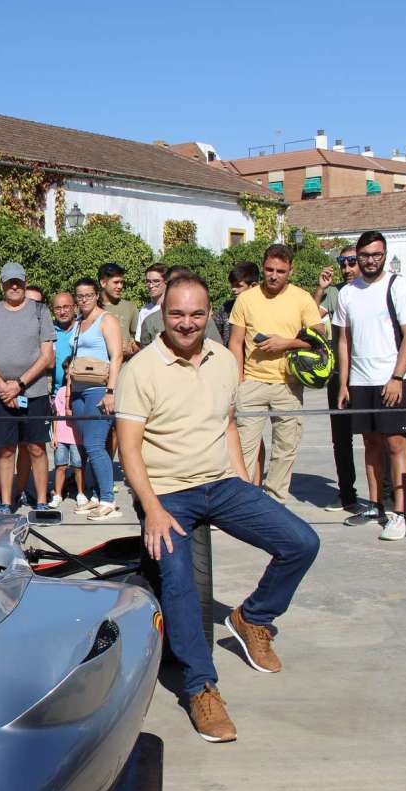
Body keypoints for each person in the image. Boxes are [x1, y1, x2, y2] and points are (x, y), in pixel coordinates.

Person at [115, 273, 319, 743]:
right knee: (180, 583)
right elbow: (129, 448)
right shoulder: (140, 370)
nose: (186, 323)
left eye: (196, 314)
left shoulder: (225, 359)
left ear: (210, 314)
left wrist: (243, 479)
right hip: (167, 493)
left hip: (222, 483)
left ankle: (253, 618)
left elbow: (226, 423)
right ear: (163, 314)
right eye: (176, 314)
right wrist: (152, 509)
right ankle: (201, 687)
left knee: (302, 542)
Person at [334, 230, 406, 542]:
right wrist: (344, 383)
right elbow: (344, 341)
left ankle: (400, 513)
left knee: (396, 445)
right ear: (357, 256)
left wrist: (397, 377)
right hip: (360, 381)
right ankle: (375, 506)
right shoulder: (346, 293)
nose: (371, 260)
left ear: (384, 255)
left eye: (377, 255)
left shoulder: (398, 285)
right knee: (370, 445)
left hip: (390, 380)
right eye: (365, 255)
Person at [228, 244, 322, 504]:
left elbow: (319, 339)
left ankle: (276, 503)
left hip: (288, 384)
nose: (273, 276)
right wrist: (239, 381)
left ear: (291, 270)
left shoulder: (302, 298)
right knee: (243, 448)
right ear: (263, 267)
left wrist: (286, 343)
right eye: (269, 269)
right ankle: (241, 503)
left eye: (280, 271)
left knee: (285, 449)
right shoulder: (246, 299)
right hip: (252, 382)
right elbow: (235, 342)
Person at [0, 262, 54, 515]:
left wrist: (19, 384)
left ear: (25, 281)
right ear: (1, 284)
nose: (14, 286)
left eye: (18, 282)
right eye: (9, 282)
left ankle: (41, 500)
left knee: (36, 447)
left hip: (34, 391)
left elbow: (46, 356)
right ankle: (5, 501)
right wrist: (3, 387)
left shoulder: (41, 311)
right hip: (0, 393)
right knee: (6, 448)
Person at [314, 247, 370, 513]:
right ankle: (347, 493)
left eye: (351, 262)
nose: (346, 268)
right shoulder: (334, 293)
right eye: (342, 263)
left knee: (375, 436)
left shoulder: (375, 290)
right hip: (339, 374)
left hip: (369, 373)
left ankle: (384, 496)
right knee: (341, 438)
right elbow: (310, 316)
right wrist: (320, 289)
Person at [70, 278, 125, 519]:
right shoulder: (78, 322)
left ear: (97, 295)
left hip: (99, 389)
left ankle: (108, 500)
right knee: (87, 446)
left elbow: (117, 356)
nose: (84, 300)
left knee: (95, 445)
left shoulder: (107, 320)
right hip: (78, 390)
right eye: (80, 296)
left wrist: (110, 392)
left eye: (88, 295)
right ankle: (95, 496)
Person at [50, 375, 83, 508]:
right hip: (61, 435)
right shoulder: (61, 391)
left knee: (78, 466)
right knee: (60, 466)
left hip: (77, 436)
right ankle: (58, 495)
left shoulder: (81, 391)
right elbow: (57, 414)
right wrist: (55, 435)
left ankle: (81, 494)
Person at [97, 263, 138, 356]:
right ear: (103, 283)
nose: (120, 286)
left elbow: (139, 342)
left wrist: (131, 350)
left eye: (122, 282)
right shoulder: (91, 308)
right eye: (116, 282)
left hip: (124, 364)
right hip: (97, 364)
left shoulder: (130, 307)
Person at [214, 262, 259, 342]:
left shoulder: (263, 309)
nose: (233, 289)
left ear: (253, 286)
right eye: (232, 285)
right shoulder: (227, 307)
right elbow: (214, 332)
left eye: (238, 286)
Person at [132, 264, 167, 345]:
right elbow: (140, 343)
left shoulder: (174, 308)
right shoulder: (144, 310)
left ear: (166, 282)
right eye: (148, 281)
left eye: (156, 281)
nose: (151, 285)